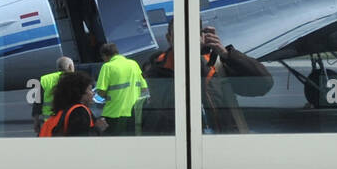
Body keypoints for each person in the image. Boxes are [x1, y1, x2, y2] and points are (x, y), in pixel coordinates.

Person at [140, 22, 274, 135]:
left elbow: (263, 85)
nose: (186, 39)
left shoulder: (216, 65)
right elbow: (171, 108)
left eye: (191, 34)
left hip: (220, 146)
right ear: (169, 38)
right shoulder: (157, 69)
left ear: (202, 37)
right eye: (180, 34)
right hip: (180, 152)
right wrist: (192, 57)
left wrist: (227, 55)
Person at [94, 43, 148, 136]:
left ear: (104, 56)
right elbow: (144, 89)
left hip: (114, 113)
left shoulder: (107, 66)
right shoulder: (133, 64)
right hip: (133, 113)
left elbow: (101, 92)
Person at [40, 70, 103, 136]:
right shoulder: (79, 112)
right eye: (90, 89)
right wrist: (98, 128)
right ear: (79, 93)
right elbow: (79, 142)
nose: (93, 93)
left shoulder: (60, 113)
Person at [32, 56, 75, 135]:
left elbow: (37, 103)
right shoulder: (75, 79)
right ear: (70, 66)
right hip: (67, 121)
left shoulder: (44, 79)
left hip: (49, 123)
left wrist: (36, 122)